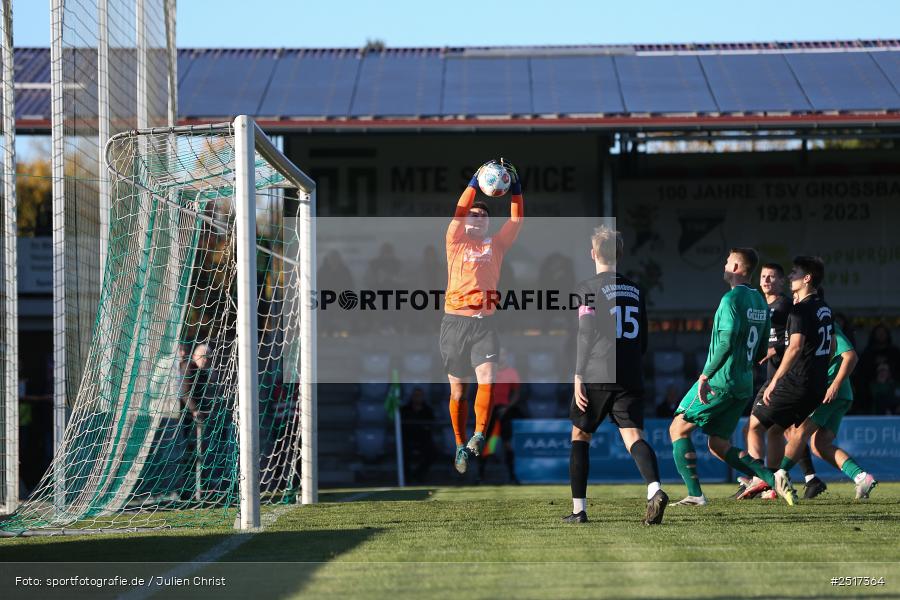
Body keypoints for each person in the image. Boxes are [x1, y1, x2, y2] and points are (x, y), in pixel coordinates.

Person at [564, 225, 668, 526]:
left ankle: (579, 510)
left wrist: (578, 374)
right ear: (620, 254)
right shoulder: (636, 290)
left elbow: (585, 334)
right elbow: (644, 339)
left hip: (598, 369)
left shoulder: (587, 288)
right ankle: (655, 489)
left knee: (580, 434)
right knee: (634, 436)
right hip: (631, 371)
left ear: (593, 253)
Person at [668, 248, 777, 507]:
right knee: (717, 443)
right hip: (743, 383)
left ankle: (695, 494)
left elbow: (726, 341)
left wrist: (706, 374)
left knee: (677, 428)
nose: (724, 265)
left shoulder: (731, 300)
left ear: (737, 267)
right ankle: (769, 477)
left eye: (728, 261)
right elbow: (762, 350)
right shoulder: (761, 301)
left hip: (720, 379)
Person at [747, 257, 858, 505]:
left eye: (794, 272)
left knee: (755, 424)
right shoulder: (824, 307)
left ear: (807, 278)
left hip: (798, 381)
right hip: (816, 385)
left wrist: (775, 380)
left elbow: (795, 348)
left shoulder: (799, 309)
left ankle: (769, 477)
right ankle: (786, 478)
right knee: (784, 430)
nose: (790, 277)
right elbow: (829, 346)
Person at [441, 159, 523, 474]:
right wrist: (475, 181)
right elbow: (461, 210)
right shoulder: (455, 240)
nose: (477, 219)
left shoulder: (497, 244)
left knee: (487, 378)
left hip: (485, 324)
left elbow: (517, 218)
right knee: (458, 392)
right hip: (454, 324)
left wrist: (516, 188)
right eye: (474, 215)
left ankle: (478, 434)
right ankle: (460, 445)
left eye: (483, 216)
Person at [734, 263, 790, 498]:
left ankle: (761, 479)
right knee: (775, 430)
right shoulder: (759, 304)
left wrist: (772, 349)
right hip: (773, 375)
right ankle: (773, 481)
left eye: (772, 277)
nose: (766, 280)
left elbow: (794, 339)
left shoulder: (785, 306)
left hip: (782, 377)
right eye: (764, 276)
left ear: (782, 281)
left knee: (752, 428)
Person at [476, 348, 523, 484]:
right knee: (488, 444)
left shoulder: (512, 372)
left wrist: (507, 407)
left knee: (507, 444)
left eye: (502, 354)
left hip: (504, 412)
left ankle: (512, 476)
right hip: (489, 412)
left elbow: (516, 393)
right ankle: (480, 476)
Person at [400, 387, 438, 482]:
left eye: (419, 396)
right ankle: (407, 478)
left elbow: (431, 425)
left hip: (423, 439)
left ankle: (417, 475)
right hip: (407, 439)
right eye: (415, 396)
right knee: (402, 452)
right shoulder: (405, 410)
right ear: (412, 397)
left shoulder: (428, 410)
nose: (417, 398)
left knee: (433, 453)